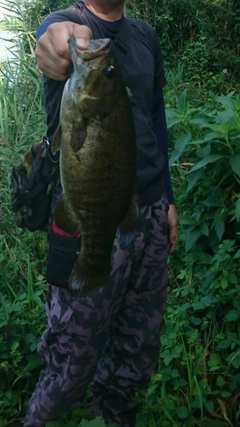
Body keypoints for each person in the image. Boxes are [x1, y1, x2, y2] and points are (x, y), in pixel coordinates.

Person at [23, 1, 179, 426]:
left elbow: (155, 116)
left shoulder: (146, 35)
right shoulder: (67, 28)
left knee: (136, 354)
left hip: (145, 212)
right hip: (87, 215)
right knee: (70, 362)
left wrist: (166, 198)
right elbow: (52, 43)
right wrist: (56, 44)